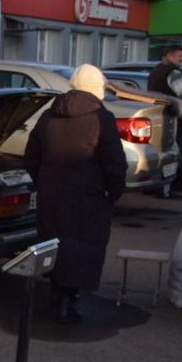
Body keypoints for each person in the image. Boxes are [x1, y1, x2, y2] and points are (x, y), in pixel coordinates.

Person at [21, 64, 126, 324]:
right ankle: (68, 300)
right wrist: (114, 191)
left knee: (55, 243)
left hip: (52, 195)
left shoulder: (48, 115)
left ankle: (57, 294)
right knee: (81, 247)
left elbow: (31, 158)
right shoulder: (102, 118)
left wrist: (44, 182)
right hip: (88, 196)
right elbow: (114, 162)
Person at [147, 44, 182, 199]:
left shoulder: (155, 71)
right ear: (170, 55)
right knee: (171, 155)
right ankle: (164, 190)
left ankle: (151, 186)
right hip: (171, 117)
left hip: (155, 116)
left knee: (157, 152)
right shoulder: (174, 73)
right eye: (180, 56)